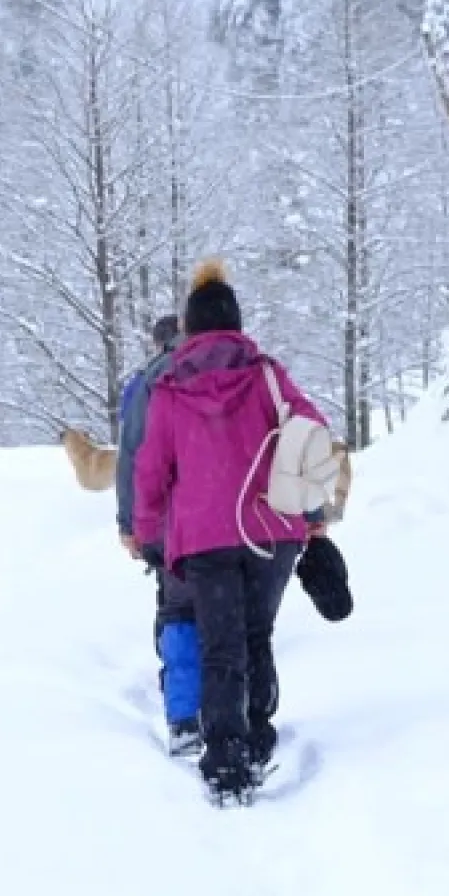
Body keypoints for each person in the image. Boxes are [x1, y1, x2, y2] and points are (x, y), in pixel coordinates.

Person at [132, 259, 331, 805]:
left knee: (221, 646)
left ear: (191, 329)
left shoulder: (171, 390)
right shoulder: (267, 375)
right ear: (237, 324)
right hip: (271, 531)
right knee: (255, 635)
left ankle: (226, 760)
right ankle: (258, 736)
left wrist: (149, 533)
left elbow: (152, 469)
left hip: (205, 539)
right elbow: (312, 428)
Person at [113, 314, 201, 757]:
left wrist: (129, 523)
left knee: (179, 612)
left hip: (171, 524)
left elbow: (130, 455)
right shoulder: (230, 367)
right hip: (232, 518)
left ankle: (185, 717)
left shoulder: (146, 383)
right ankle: (238, 710)